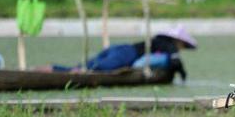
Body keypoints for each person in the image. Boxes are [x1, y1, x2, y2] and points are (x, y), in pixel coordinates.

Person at [46, 25, 197, 81]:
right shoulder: (169, 45)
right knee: (88, 70)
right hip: (127, 55)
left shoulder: (158, 40)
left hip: (120, 49)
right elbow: (175, 61)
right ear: (179, 41)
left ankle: (51, 69)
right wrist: (182, 74)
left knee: (84, 66)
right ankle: (52, 69)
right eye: (183, 45)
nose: (182, 48)